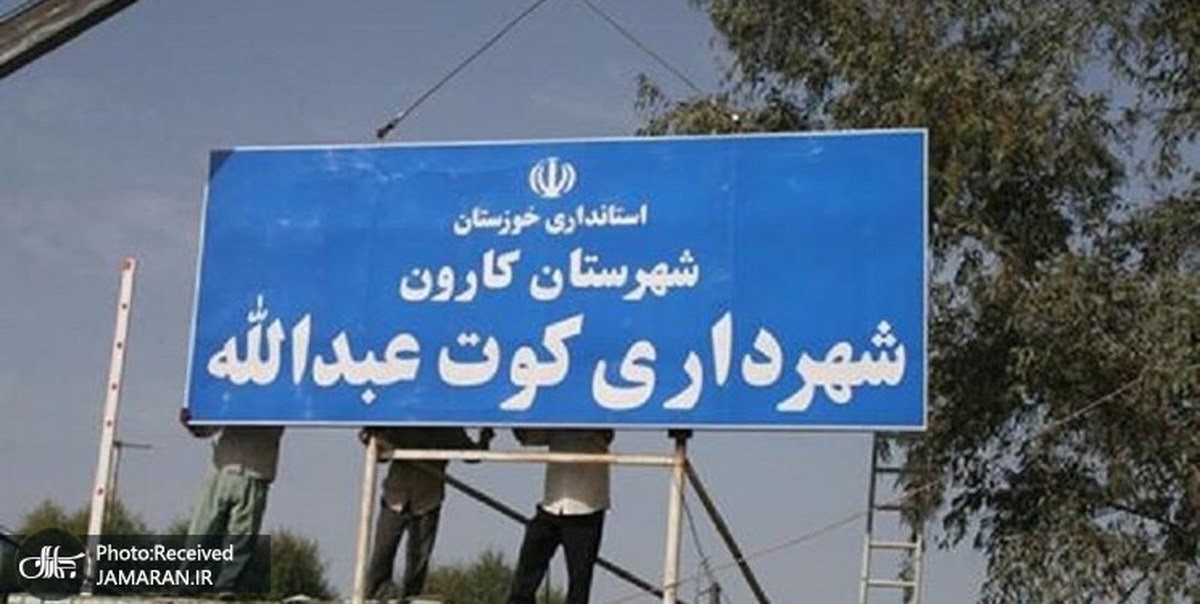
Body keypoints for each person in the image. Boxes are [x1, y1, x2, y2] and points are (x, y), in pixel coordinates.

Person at [361, 427, 495, 601]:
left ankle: (412, 595)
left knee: (420, 555)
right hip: (395, 497)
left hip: (428, 499)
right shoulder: (403, 423)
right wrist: (370, 438)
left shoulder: (450, 430)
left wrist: (485, 438)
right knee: (384, 549)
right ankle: (376, 593)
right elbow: (381, 454)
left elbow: (471, 455)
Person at [179, 408, 283, 596]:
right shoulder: (231, 398)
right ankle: (189, 583)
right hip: (223, 469)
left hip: (255, 471)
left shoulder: (279, 398)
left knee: (241, 535)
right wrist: (194, 422)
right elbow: (210, 425)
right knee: (203, 529)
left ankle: (226, 587)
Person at [507, 429, 614, 604]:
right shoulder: (556, 425)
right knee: (526, 573)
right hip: (553, 505)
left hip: (586, 508)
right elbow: (527, 436)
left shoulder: (596, 425)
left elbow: (608, 433)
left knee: (579, 586)